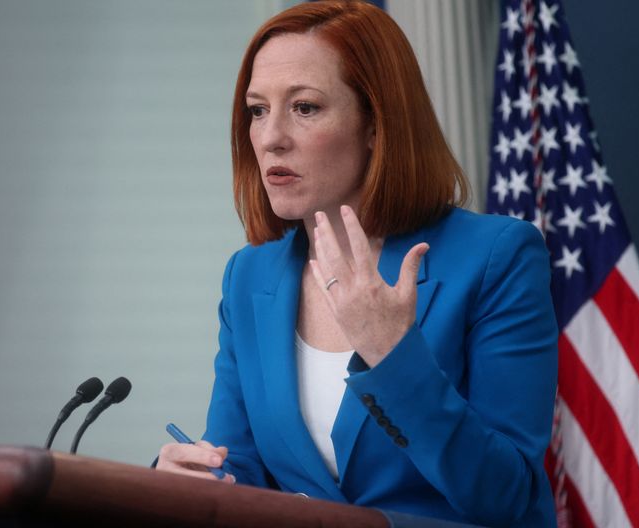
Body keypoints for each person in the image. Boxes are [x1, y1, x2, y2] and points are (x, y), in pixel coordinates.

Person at [156, 1, 558, 526]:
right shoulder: (247, 277)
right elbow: (245, 468)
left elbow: (507, 497)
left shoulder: (497, 257)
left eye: (304, 107)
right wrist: (190, 480)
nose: (271, 136)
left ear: (377, 124)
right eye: (257, 110)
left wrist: (393, 355)